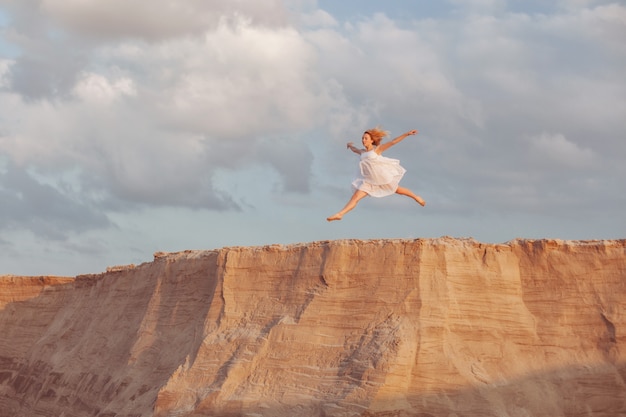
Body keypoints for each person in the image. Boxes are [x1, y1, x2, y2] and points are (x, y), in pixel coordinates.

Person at [326, 126, 425, 222]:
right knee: (355, 197)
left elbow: (393, 142)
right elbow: (355, 149)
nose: (363, 140)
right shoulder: (362, 152)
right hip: (368, 181)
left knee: (397, 189)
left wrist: (406, 134)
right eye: (362, 138)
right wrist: (350, 145)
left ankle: (416, 197)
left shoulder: (377, 150)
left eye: (366, 138)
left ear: (371, 140)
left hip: (380, 177)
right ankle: (340, 214)